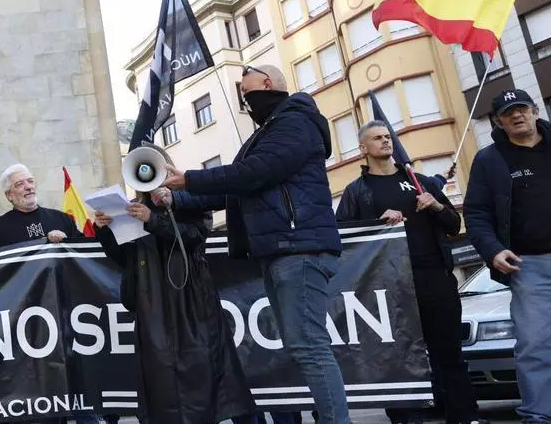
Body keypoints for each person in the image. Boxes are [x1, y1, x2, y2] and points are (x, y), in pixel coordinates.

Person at [151, 64, 349, 424]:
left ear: (268, 84)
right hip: (283, 250)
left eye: (247, 92)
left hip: (298, 248)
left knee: (309, 346)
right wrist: (175, 199)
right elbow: (235, 188)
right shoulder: (270, 131)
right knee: (305, 346)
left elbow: (254, 173)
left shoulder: (295, 122)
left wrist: (189, 181)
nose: (245, 100)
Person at [336, 121, 479, 424]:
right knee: (396, 358)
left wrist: (437, 206)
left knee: (449, 354)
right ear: (363, 148)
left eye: (388, 137)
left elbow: (455, 225)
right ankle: (407, 419)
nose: (386, 142)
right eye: (377, 138)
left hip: (433, 278)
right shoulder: (356, 191)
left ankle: (465, 417)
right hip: (386, 286)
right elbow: (341, 238)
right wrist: (375, 222)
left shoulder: (420, 181)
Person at [93, 194, 255, 423]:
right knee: (161, 382)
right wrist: (104, 230)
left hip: (191, 302)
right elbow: (124, 258)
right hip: (151, 304)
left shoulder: (188, 201)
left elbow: (194, 236)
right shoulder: (131, 209)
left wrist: (153, 219)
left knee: (200, 378)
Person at [465, 89, 551, 423]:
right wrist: (493, 250)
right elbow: (476, 214)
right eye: (508, 112)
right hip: (529, 267)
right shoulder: (489, 160)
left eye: (521, 109)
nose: (516, 116)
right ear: (499, 121)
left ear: (533, 111)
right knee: (534, 345)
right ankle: (540, 416)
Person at [0, 165, 82, 250]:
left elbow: (86, 255)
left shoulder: (62, 219)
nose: (28, 187)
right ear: (9, 195)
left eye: (30, 181)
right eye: (19, 184)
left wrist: (67, 241)